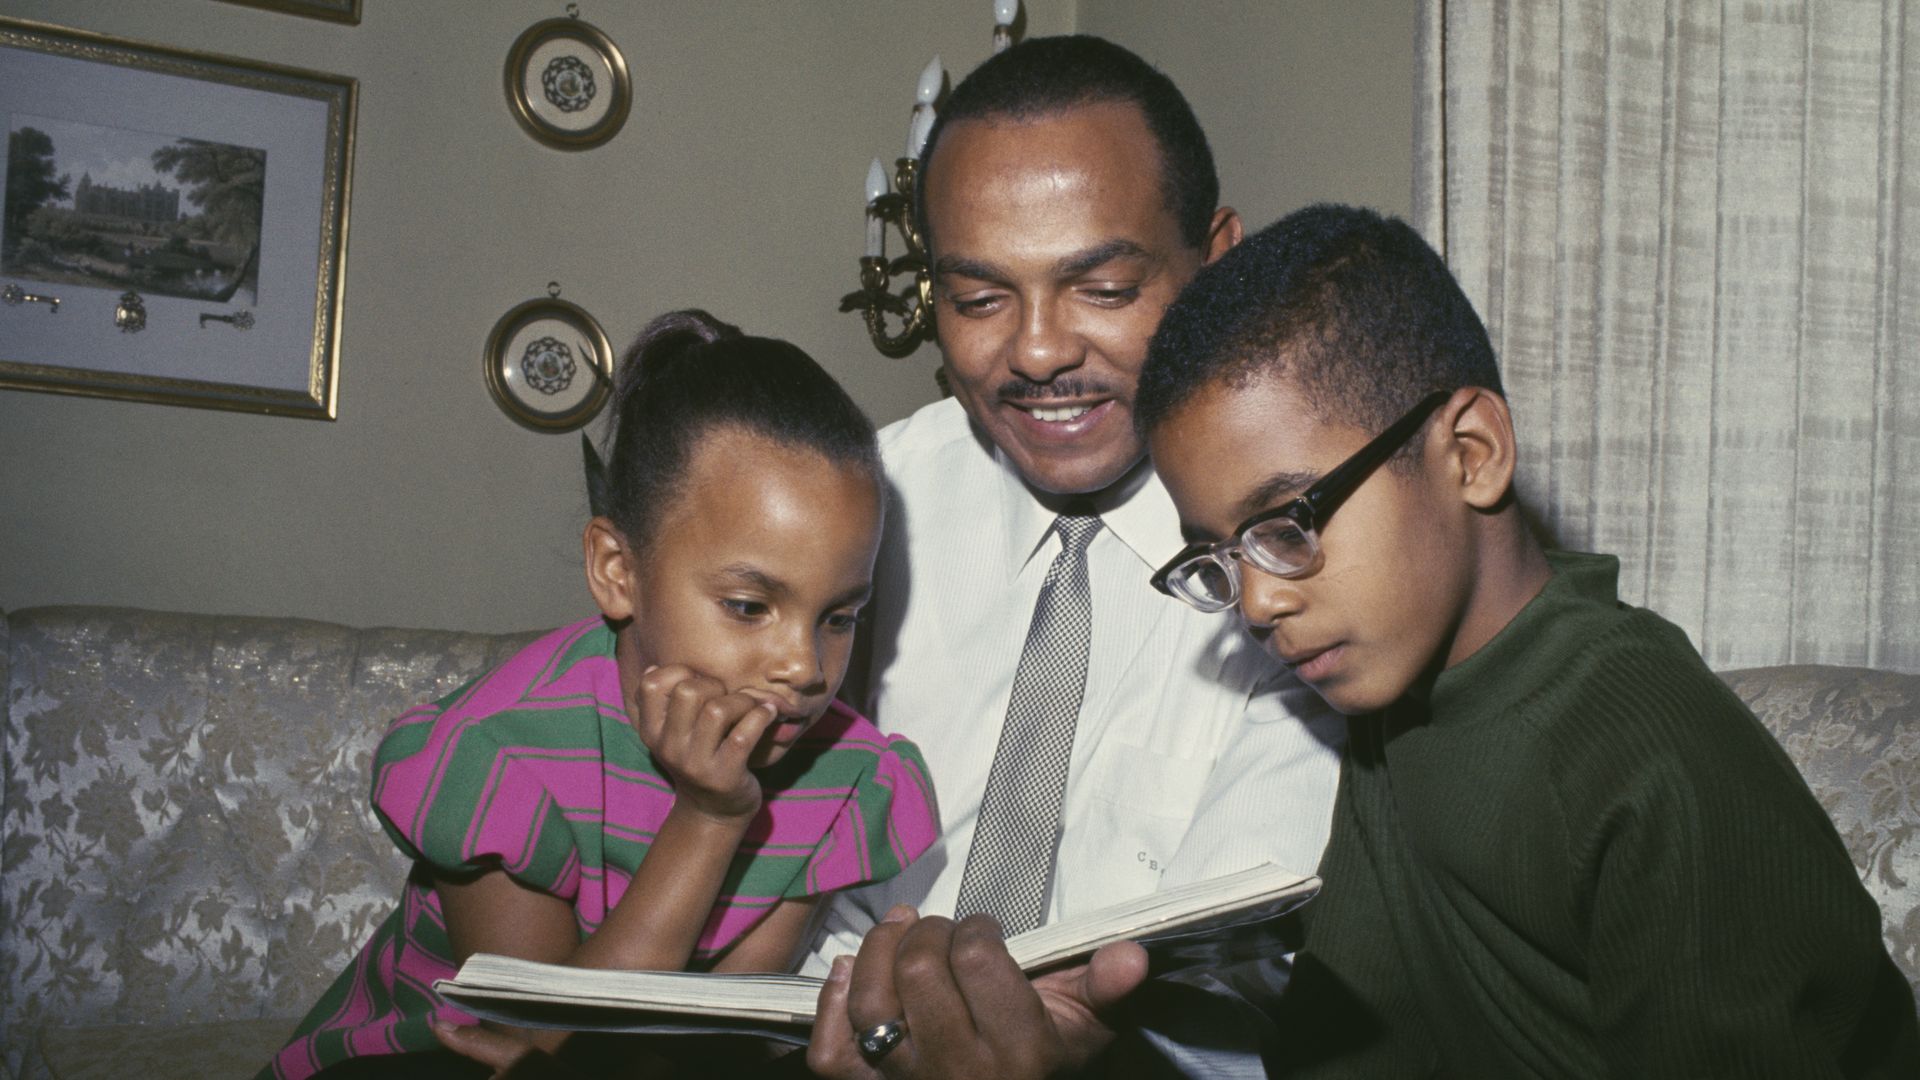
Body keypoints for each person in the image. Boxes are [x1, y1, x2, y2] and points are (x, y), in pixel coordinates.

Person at [1133, 203, 1920, 1075]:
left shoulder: (1647, 746)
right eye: (1220, 555)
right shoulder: (1391, 698)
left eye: (1285, 524)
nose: (1254, 603)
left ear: (1471, 453)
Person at [803, 36, 1344, 1079]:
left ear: (1217, 266)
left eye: (1100, 288)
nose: (1039, 352)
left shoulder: (1312, 550)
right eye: (978, 299)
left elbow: (1237, 973)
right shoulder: (860, 504)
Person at [260, 311, 940, 1079]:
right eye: (750, 607)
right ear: (618, 570)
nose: (804, 668)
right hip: (417, 1060)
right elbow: (549, 1045)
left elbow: (715, 1038)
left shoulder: (840, 778)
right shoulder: (499, 753)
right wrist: (711, 816)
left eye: (839, 616)